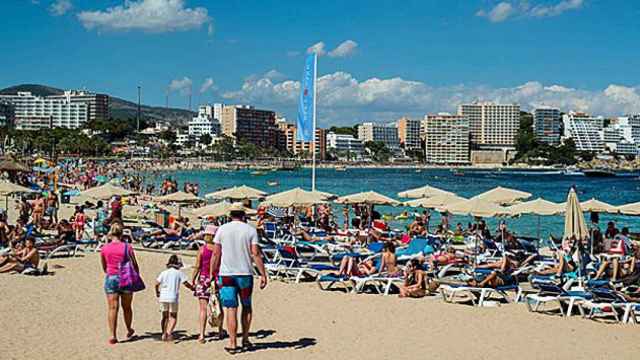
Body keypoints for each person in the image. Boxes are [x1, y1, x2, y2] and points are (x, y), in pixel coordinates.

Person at [211, 205, 268, 354]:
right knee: (247, 306)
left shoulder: (222, 229)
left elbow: (216, 254)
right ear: (244, 214)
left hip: (226, 274)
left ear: (230, 214)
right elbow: (255, 254)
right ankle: (245, 338)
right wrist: (263, 274)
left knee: (231, 308)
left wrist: (212, 272)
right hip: (245, 274)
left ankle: (232, 343)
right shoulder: (250, 230)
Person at [100, 222, 138, 345]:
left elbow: (104, 266)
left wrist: (111, 271)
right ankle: (128, 329)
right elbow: (134, 264)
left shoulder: (105, 248)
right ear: (122, 234)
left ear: (110, 234)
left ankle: (112, 335)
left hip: (111, 277)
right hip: (125, 278)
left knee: (112, 308)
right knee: (126, 307)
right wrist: (136, 275)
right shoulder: (127, 247)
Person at [191, 225, 223, 343]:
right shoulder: (219, 249)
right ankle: (220, 331)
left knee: (203, 309)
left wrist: (193, 279)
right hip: (216, 279)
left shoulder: (202, 249)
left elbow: (197, 266)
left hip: (203, 279)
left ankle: (201, 335)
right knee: (218, 306)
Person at [155, 254, 194, 342]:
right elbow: (186, 284)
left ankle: (164, 333)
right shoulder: (179, 273)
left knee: (164, 316)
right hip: (173, 296)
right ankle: (169, 332)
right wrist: (193, 288)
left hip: (163, 296)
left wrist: (157, 292)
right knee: (173, 316)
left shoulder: (164, 272)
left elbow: (156, 283)